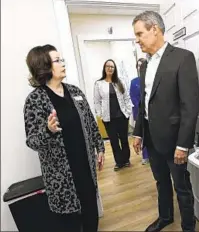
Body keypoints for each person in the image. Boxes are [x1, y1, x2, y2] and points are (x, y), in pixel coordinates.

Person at [23, 44, 105, 232]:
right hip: (62, 177)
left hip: (86, 167)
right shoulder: (35, 100)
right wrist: (48, 130)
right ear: (44, 66)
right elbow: (32, 141)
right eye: (57, 60)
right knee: (71, 223)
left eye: (62, 59)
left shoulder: (75, 92)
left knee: (91, 213)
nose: (62, 63)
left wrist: (99, 147)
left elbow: (91, 123)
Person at [132, 11, 199, 232]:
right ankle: (165, 217)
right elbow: (144, 103)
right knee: (161, 182)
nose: (138, 39)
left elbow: (189, 106)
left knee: (181, 186)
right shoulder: (144, 65)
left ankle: (188, 227)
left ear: (155, 29)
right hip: (152, 138)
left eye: (140, 33)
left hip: (173, 140)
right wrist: (139, 132)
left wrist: (183, 144)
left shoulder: (183, 58)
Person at [94, 59, 132, 171]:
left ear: (114, 69)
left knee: (124, 139)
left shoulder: (120, 82)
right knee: (114, 141)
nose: (110, 68)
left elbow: (126, 97)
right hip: (108, 118)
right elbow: (96, 101)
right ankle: (119, 162)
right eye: (108, 66)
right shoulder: (99, 84)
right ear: (104, 68)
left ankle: (126, 160)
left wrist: (128, 111)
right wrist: (99, 114)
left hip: (122, 116)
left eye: (112, 67)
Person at [130, 57, 149, 165]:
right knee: (142, 134)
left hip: (151, 112)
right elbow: (133, 97)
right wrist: (142, 107)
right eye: (138, 65)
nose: (140, 67)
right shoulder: (134, 82)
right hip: (139, 112)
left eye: (142, 65)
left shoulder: (150, 80)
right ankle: (145, 156)